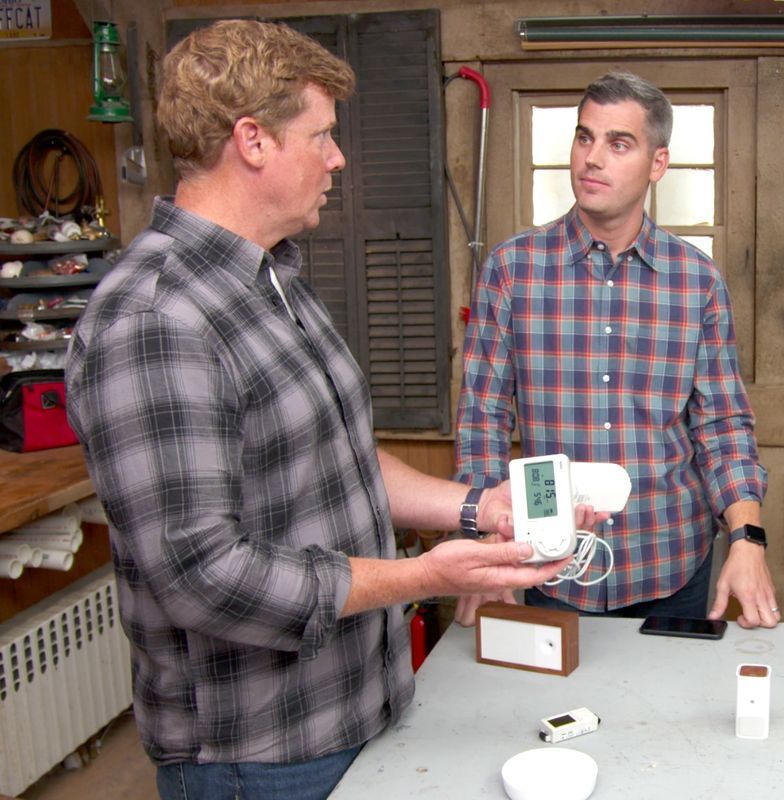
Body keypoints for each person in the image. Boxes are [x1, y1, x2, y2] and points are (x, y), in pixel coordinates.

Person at [65, 20, 596, 800]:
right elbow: (204, 577)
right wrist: (421, 577)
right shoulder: (156, 320)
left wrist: (483, 510)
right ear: (252, 141)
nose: (339, 157)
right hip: (261, 753)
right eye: (321, 135)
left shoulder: (274, 277)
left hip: (357, 711)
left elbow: (339, 462)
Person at [453, 70, 779, 629]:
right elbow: (482, 419)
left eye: (618, 143)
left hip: (672, 562)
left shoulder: (696, 281)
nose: (592, 158)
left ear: (657, 164)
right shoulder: (511, 271)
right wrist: (485, 547)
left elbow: (722, 423)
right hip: (548, 561)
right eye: (585, 137)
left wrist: (748, 538)